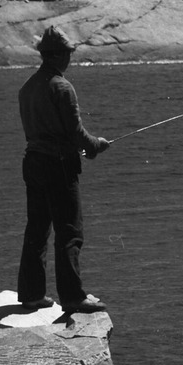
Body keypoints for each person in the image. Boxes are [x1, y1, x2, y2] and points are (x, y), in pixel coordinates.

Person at [16, 23, 112, 317]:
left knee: (37, 229)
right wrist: (97, 146)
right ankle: (72, 298)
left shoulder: (27, 88)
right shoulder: (62, 87)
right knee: (69, 232)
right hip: (58, 167)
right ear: (57, 56)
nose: (70, 59)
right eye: (68, 54)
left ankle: (31, 295)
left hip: (33, 163)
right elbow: (76, 135)